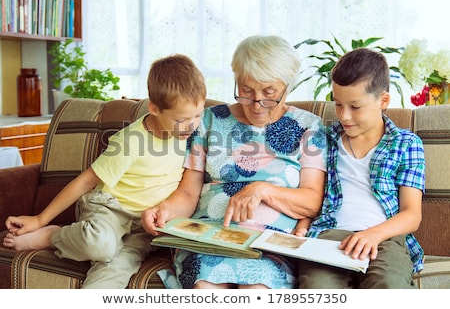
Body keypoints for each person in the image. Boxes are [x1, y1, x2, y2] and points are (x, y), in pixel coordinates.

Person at [2, 54, 207, 289]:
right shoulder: (131, 141)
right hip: (110, 209)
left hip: (144, 226)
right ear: (154, 109)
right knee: (101, 245)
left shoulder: (190, 134)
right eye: (182, 119)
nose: (191, 126)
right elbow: (86, 181)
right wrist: (39, 220)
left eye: (197, 115)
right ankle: (52, 236)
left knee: (112, 273)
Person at [142, 35, 327, 289]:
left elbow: (313, 202)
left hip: (270, 244)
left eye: (269, 93)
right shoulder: (208, 120)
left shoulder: (308, 126)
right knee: (205, 290)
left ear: (288, 87)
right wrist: (162, 211)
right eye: (247, 91)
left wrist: (262, 190)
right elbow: (187, 191)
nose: (256, 104)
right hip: (209, 237)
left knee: (257, 291)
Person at [297, 48, 425, 289]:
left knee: (390, 284)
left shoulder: (406, 144)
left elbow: (412, 214)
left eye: (355, 107)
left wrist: (373, 235)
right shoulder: (323, 139)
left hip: (384, 238)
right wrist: (304, 224)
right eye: (337, 105)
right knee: (318, 287)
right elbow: (310, 190)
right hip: (329, 235)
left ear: (383, 101)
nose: (344, 116)